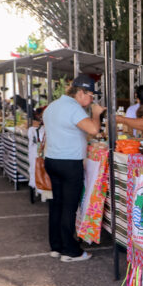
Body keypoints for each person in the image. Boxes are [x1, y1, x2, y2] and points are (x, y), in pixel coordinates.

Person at [42, 74, 105, 262]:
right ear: (80, 92)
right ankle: (71, 251)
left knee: (57, 205)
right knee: (68, 207)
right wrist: (96, 113)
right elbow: (94, 130)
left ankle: (56, 246)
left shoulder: (53, 106)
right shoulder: (73, 108)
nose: (92, 99)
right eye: (91, 95)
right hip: (69, 162)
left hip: (52, 159)